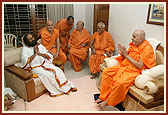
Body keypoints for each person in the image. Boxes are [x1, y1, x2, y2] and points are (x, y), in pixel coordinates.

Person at [95, 30, 156, 109]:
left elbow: (140, 66)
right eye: (132, 36)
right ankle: (103, 97)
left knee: (120, 83)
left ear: (141, 39)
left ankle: (108, 102)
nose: (132, 38)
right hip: (126, 66)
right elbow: (128, 58)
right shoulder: (135, 45)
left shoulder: (147, 48)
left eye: (134, 37)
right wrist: (123, 54)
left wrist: (126, 56)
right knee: (107, 72)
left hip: (135, 70)